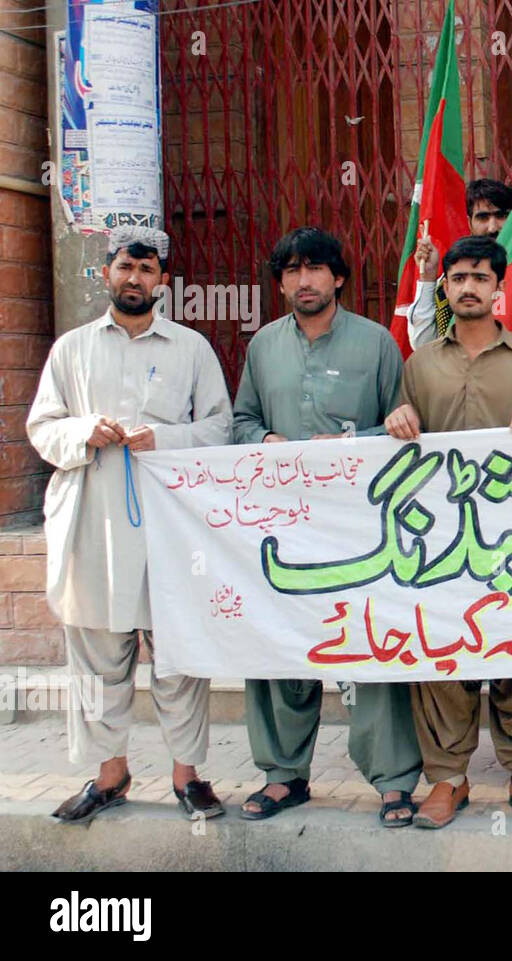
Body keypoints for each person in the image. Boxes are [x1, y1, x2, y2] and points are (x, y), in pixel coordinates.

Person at [27, 226, 232, 824]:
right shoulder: (72, 349)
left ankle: (187, 776)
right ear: (107, 274)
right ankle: (109, 774)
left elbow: (218, 427)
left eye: (146, 269)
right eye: (124, 267)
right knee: (96, 655)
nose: (134, 278)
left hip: (171, 532)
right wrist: (81, 431)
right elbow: (42, 428)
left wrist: (164, 439)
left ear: (163, 281)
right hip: (94, 524)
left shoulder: (190, 348)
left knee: (178, 655)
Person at [231, 227, 419, 827]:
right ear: (280, 281)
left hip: (359, 528)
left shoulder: (377, 345)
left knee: (371, 645)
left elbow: (405, 429)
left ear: (338, 277)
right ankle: (284, 775)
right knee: (280, 644)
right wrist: (267, 441)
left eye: (315, 269)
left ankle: (393, 781)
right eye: (291, 270)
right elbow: (240, 421)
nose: (303, 280)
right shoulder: (262, 347)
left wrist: (345, 444)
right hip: (283, 526)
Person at [385, 235, 512, 830]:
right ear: (445, 287)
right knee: (442, 655)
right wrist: (399, 419)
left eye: (479, 278)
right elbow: (398, 433)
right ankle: (447, 777)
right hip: (440, 543)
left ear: (498, 289)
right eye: (457, 277)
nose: (468, 287)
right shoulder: (420, 363)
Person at [407, 178, 512, 348]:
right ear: (469, 223)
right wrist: (428, 277)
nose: (493, 227)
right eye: (483, 217)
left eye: (501, 216)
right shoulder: (456, 280)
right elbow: (423, 344)